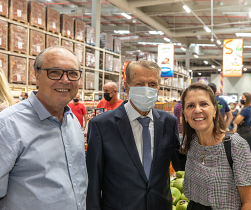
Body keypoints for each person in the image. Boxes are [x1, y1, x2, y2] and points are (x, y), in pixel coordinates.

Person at [86, 60, 186, 210]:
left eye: (152, 84)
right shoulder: (101, 125)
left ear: (158, 86)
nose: (146, 89)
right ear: (126, 87)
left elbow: (181, 164)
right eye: (139, 84)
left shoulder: (168, 122)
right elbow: (93, 182)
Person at [0, 46, 88, 209]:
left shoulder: (72, 121)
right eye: (54, 72)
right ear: (36, 75)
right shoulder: (8, 125)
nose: (65, 80)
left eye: (73, 73)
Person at [180, 83, 251, 209]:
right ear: (185, 114)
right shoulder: (192, 143)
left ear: (215, 110)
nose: (197, 110)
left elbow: (250, 203)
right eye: (190, 106)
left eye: (204, 104)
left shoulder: (236, 145)